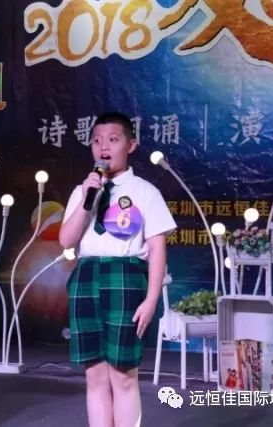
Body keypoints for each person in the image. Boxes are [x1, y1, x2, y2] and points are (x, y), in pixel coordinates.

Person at [59, 112, 177, 427]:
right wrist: (87, 199)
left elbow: (157, 249)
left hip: (126, 279)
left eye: (113, 139)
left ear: (131, 145)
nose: (104, 147)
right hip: (86, 278)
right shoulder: (83, 191)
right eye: (97, 140)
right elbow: (66, 240)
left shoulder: (145, 192)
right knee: (95, 375)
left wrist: (151, 300)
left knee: (123, 375)